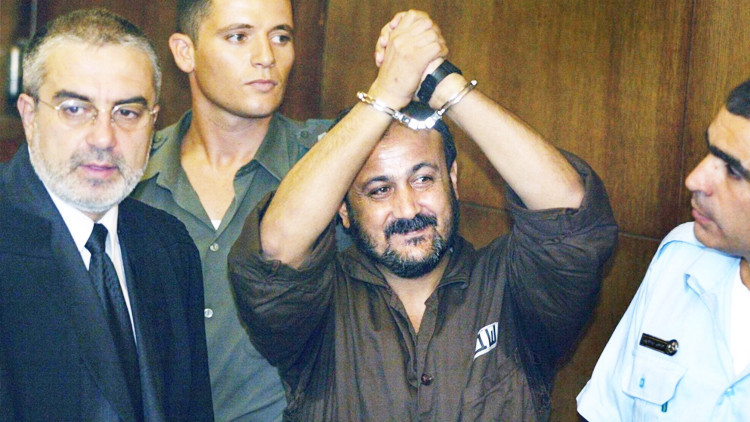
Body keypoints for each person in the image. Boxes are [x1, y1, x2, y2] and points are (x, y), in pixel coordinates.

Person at [228, 10, 618, 421]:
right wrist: (385, 94)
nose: (408, 208)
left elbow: (572, 217)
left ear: (453, 178)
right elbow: (274, 253)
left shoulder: (511, 287)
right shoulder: (318, 306)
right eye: (379, 189)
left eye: (423, 179)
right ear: (341, 208)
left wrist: (441, 83)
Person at [0, 9, 213, 421]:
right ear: (29, 116)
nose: (103, 138)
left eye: (126, 113)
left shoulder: (169, 246)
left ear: (153, 122)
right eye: (75, 109)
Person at [130, 0, 332, 419]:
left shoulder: (329, 163)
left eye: (281, 37)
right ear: (185, 52)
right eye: (239, 36)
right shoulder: (130, 173)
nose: (266, 56)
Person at [577, 79, 750, 421]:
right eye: (710, 151)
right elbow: (605, 411)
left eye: (733, 171)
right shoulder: (682, 255)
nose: (694, 179)